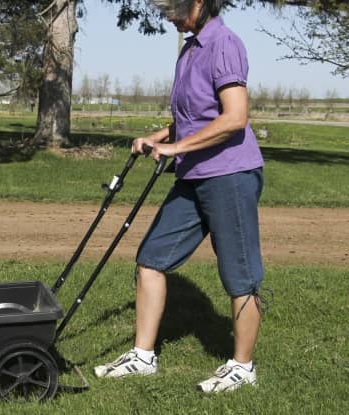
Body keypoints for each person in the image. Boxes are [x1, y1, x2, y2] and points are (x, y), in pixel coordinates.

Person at [94, 0, 266, 393]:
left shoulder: (224, 43)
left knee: (239, 275)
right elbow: (194, 117)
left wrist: (176, 149)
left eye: (174, 8)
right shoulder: (191, 48)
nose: (168, 16)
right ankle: (143, 356)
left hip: (230, 174)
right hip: (194, 174)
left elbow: (234, 117)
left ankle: (243, 366)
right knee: (151, 258)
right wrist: (158, 138)